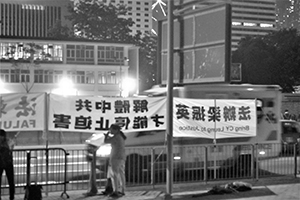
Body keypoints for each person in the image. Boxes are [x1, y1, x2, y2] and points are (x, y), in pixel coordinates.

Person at [104, 124, 127, 198]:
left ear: (116, 130)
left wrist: (106, 135)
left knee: (115, 174)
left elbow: (106, 141)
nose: (110, 131)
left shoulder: (116, 137)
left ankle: (116, 190)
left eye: (111, 129)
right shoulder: (121, 137)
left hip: (115, 157)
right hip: (122, 157)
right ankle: (123, 189)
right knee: (121, 173)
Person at [0, 129, 15, 200]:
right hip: (8, 163)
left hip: (2, 163)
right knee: (11, 181)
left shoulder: (8, 142)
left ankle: (11, 196)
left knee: (11, 181)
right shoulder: (9, 141)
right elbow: (11, 147)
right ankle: (12, 197)